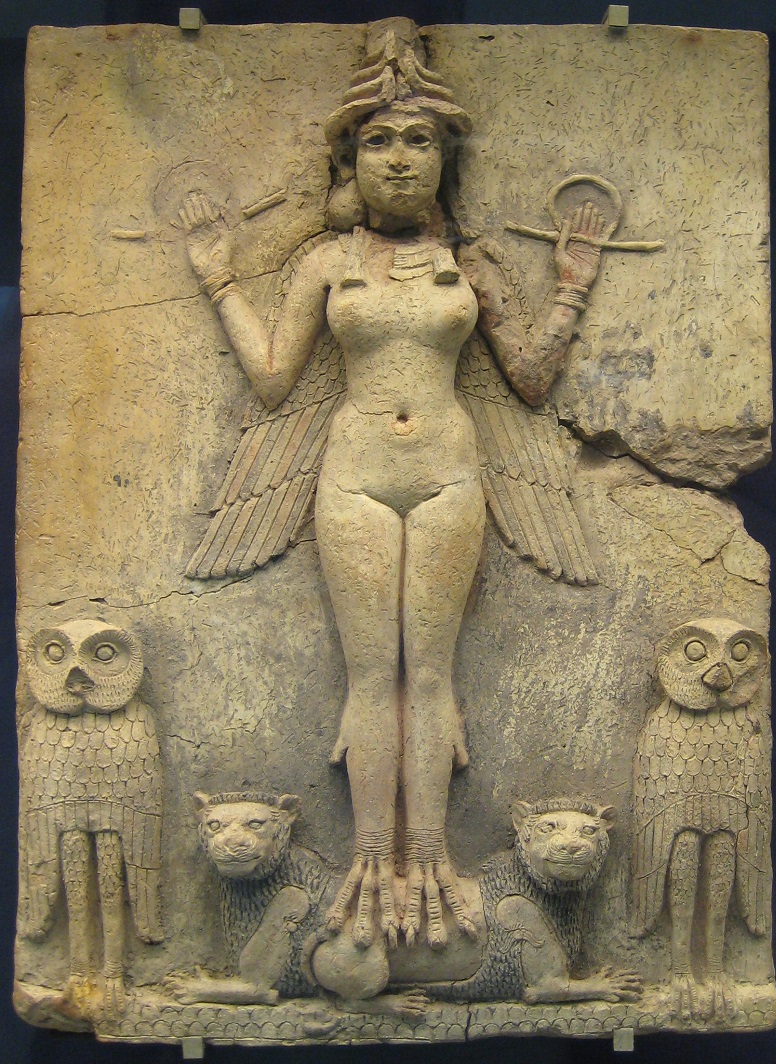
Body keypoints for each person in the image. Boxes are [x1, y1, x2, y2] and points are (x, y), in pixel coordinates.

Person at [181, 18, 603, 952]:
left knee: (432, 671)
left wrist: (574, 285)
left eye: (419, 140)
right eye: (379, 142)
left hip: (448, 472)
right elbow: (273, 379)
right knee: (375, 673)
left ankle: (433, 856)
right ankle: (373, 856)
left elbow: (531, 379)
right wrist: (219, 282)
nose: (401, 159)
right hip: (357, 475)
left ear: (446, 160)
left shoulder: (472, 264)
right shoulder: (326, 262)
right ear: (350, 161)